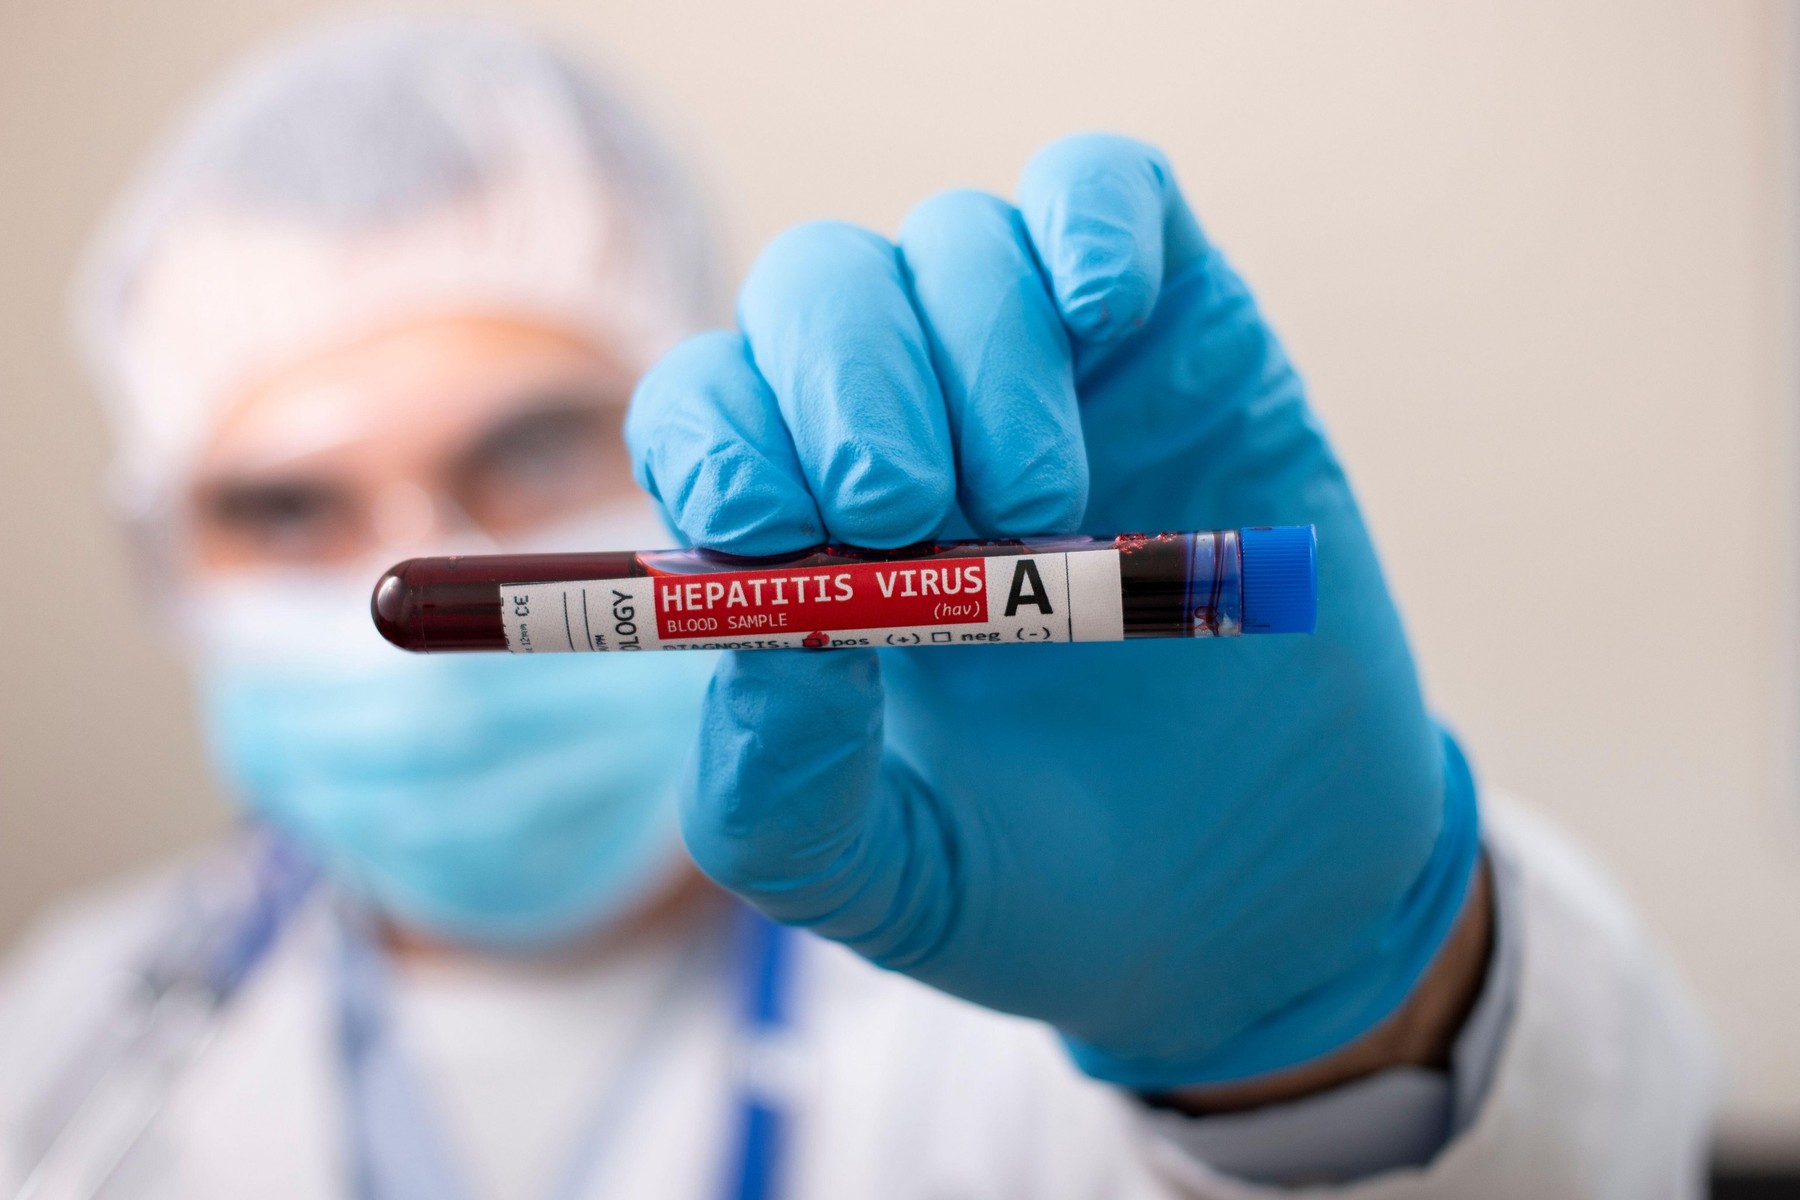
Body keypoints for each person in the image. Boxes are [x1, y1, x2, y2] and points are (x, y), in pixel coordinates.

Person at [0, 15, 1715, 1199]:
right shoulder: (66, 1039)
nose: (442, 557)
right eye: (281, 505)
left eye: (529, 449)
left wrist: (1325, 1037)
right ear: (171, 561)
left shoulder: (1020, 959)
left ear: (686, 425)